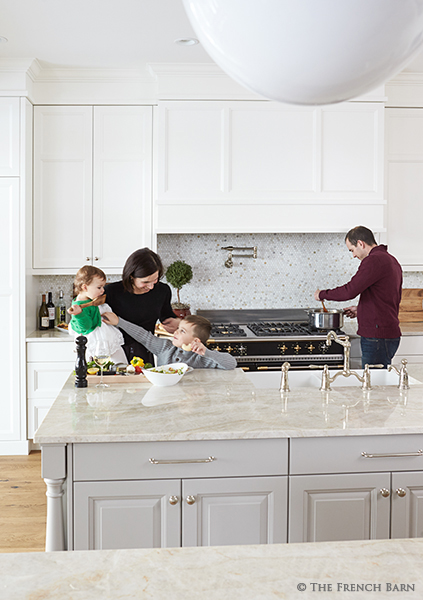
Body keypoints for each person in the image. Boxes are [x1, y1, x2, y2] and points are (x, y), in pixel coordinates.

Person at [314, 225, 403, 368]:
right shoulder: (390, 260)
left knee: (372, 385)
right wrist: (361, 309)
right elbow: (386, 298)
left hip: (377, 337)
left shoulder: (374, 260)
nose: (354, 255)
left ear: (360, 243)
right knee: (377, 384)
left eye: (352, 250)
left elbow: (350, 290)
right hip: (385, 334)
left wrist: (322, 294)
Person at [104, 248, 181, 364]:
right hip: (116, 354)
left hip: (145, 353)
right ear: (131, 276)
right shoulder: (111, 292)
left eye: (155, 280)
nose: (151, 287)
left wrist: (175, 323)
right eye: (145, 282)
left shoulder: (162, 291)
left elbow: (166, 315)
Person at [102, 312, 237, 370]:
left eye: (182, 331)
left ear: (196, 340)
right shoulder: (165, 347)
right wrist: (119, 322)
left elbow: (232, 363)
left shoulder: (202, 357)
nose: (176, 332)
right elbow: (143, 336)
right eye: (178, 328)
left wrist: (207, 353)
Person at [68, 265, 127, 364]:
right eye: (99, 287)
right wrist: (79, 314)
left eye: (103, 287)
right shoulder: (79, 307)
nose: (103, 290)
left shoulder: (89, 299)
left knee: (120, 362)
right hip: (95, 341)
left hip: (106, 336)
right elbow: (85, 326)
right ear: (85, 287)